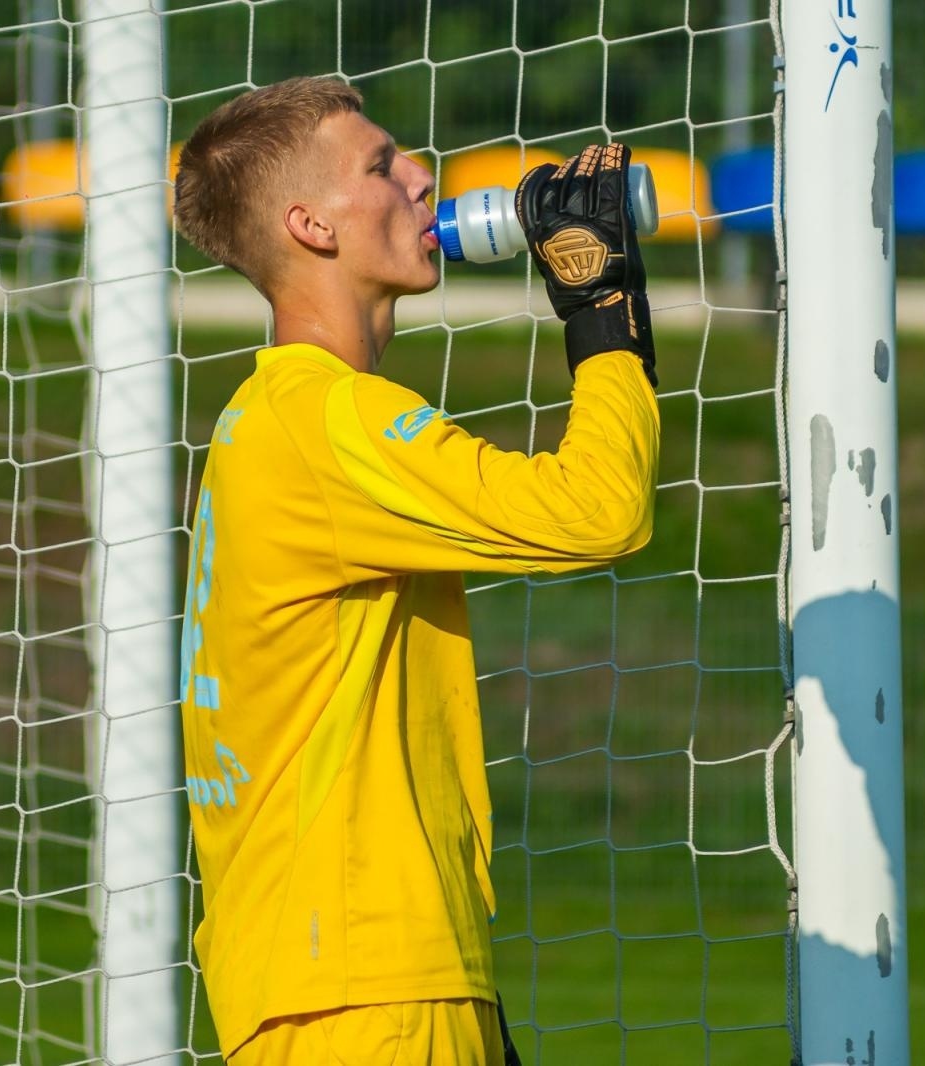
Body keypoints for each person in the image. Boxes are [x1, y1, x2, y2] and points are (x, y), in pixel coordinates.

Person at [171, 75, 659, 1065]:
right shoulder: (321, 418)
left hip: (336, 978)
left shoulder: (266, 421)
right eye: (381, 165)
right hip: (367, 990)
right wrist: (600, 301)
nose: (421, 176)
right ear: (310, 224)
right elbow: (596, 513)